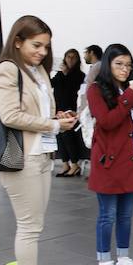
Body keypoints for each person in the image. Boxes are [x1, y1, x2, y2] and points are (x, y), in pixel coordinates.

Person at [0, 15, 77, 265]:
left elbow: (40, 113)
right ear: (18, 42)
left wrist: (58, 118)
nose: (42, 52)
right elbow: (9, 116)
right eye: (36, 45)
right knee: (29, 227)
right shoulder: (7, 69)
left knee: (34, 225)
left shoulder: (38, 72)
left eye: (46, 46)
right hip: (21, 157)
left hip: (43, 155)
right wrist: (52, 126)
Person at [87, 44, 133, 265]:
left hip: (131, 160)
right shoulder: (96, 90)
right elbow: (106, 121)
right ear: (108, 65)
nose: (125, 69)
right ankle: (104, 263)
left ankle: (123, 258)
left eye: (128, 65)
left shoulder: (130, 90)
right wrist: (129, 97)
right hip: (109, 162)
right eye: (119, 64)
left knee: (126, 215)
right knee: (108, 215)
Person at [51, 48, 85, 177]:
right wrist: (61, 73)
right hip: (57, 108)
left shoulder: (79, 75)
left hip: (69, 109)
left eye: (73, 57)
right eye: (68, 57)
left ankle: (75, 164)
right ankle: (65, 163)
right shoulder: (60, 73)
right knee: (59, 137)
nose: (70, 59)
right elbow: (51, 84)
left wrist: (66, 75)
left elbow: (71, 89)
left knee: (68, 137)